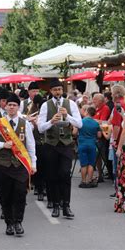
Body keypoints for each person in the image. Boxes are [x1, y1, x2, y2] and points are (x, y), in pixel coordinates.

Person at [0, 93, 37, 236]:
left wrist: (33, 163)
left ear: (18, 107)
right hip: (3, 165)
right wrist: (3, 144)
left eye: (14, 105)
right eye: (9, 105)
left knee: (20, 194)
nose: (12, 107)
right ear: (5, 106)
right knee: (5, 195)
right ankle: (9, 223)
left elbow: (31, 145)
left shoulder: (25, 123)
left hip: (20, 165)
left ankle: (18, 222)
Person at [38, 78, 82, 218]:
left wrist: (66, 116)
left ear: (62, 90)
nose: (57, 92)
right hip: (50, 145)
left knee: (64, 174)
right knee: (52, 176)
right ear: (50, 91)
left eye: (59, 89)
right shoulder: (46, 105)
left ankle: (66, 205)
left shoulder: (71, 104)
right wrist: (51, 121)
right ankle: (56, 205)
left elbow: (79, 124)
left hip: (66, 144)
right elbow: (40, 128)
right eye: (55, 90)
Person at [78, 106, 102, 188]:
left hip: (82, 144)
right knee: (91, 164)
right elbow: (99, 135)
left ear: (87, 112)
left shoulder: (81, 122)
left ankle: (83, 181)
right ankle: (89, 180)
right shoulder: (96, 123)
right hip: (92, 144)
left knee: (83, 164)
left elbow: (75, 132)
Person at [92, 93, 111, 181]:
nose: (93, 101)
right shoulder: (95, 108)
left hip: (102, 135)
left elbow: (103, 122)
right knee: (97, 156)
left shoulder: (105, 108)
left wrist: (93, 120)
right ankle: (100, 175)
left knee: (104, 155)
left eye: (95, 99)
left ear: (100, 101)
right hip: (95, 134)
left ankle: (111, 173)